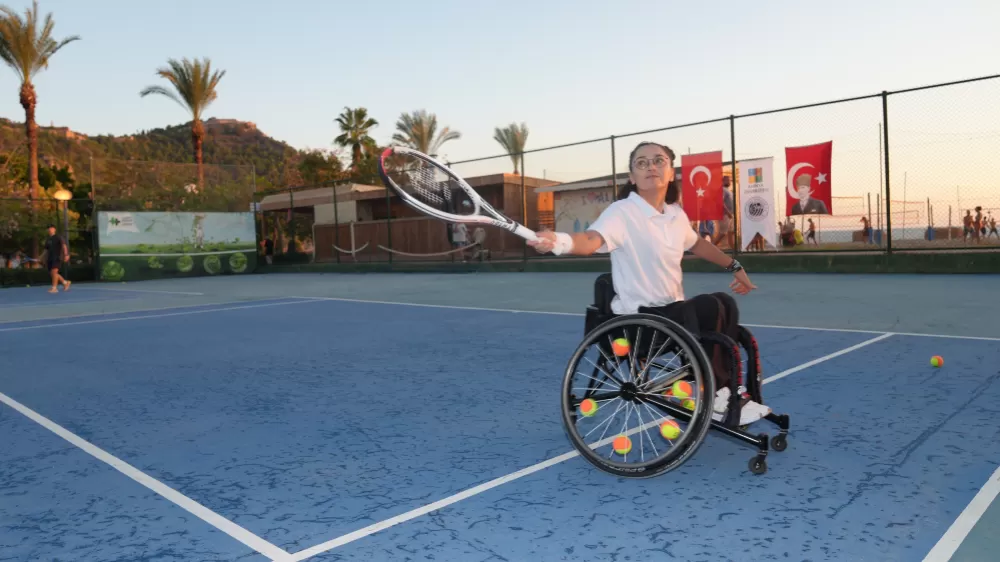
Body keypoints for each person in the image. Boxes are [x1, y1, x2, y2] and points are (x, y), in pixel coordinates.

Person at [529, 141, 770, 425]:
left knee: (724, 302)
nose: (651, 167)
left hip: (672, 319)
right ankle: (716, 394)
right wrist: (558, 241)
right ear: (632, 177)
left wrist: (735, 266)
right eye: (641, 163)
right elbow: (590, 240)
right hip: (639, 324)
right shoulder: (622, 212)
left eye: (659, 161)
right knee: (705, 306)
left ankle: (723, 391)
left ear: (670, 174)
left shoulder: (675, 215)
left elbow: (699, 246)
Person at [42, 224, 70, 293]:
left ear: (54, 229)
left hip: (57, 257)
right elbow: (45, 251)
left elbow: (64, 246)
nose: (49, 229)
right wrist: (42, 257)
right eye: (48, 228)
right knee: (53, 273)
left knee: (54, 272)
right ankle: (65, 282)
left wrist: (66, 255)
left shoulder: (58, 237)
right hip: (50, 259)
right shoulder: (48, 240)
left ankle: (54, 288)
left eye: (51, 228)